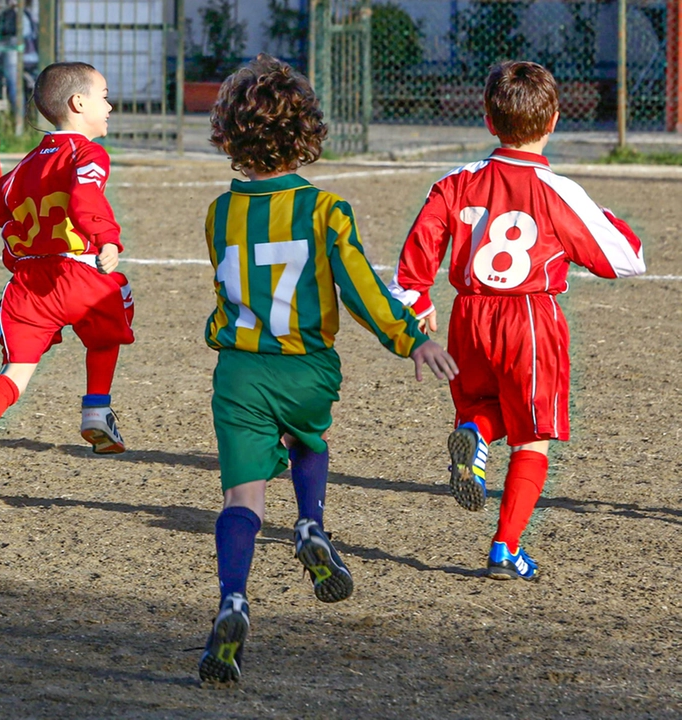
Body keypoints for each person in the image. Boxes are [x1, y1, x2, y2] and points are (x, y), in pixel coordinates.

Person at [196, 55, 459, 686]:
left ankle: (234, 599)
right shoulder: (326, 211)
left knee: (242, 497)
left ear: (228, 136)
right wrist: (410, 336)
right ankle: (311, 524)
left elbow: (226, 294)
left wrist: (220, 333)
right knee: (309, 438)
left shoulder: (218, 213)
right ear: (305, 135)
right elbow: (361, 289)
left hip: (239, 371)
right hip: (306, 368)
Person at [390, 60, 645, 581]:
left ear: (487, 119)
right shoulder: (558, 190)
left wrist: (418, 307)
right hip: (530, 319)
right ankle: (506, 548)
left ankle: (476, 433)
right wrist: (601, 215)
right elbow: (625, 257)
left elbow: (411, 269)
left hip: (468, 317)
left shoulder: (454, 183)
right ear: (553, 121)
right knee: (534, 433)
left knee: (488, 406)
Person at [0, 62, 135, 520]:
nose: (110, 105)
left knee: (14, 373)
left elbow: (0, 214)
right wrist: (106, 238)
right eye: (104, 95)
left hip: (27, 284)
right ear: (78, 104)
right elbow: (86, 200)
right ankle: (96, 409)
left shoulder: (20, 168)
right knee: (113, 310)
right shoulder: (87, 154)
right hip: (79, 273)